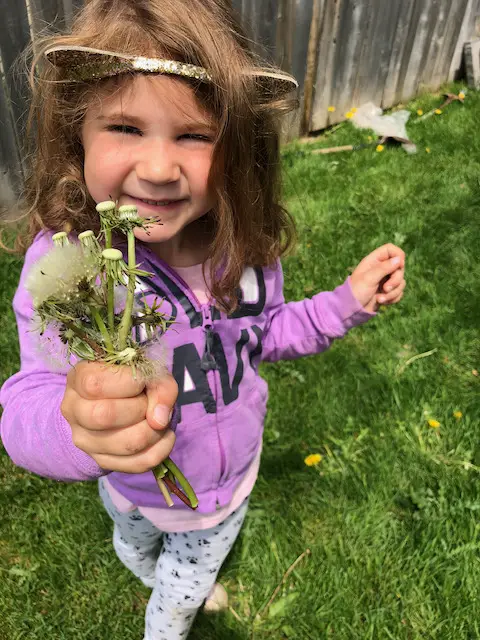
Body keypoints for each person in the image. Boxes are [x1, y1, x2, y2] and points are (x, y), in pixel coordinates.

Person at [0, 0, 406, 638]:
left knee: (180, 595)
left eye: (195, 135)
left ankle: (167, 618)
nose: (159, 169)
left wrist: (346, 302)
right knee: (134, 543)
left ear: (240, 147)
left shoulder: (242, 251)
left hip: (223, 491)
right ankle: (138, 562)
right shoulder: (73, 265)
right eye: (126, 128)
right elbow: (30, 396)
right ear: (77, 132)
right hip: (132, 486)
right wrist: (74, 427)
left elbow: (266, 333)